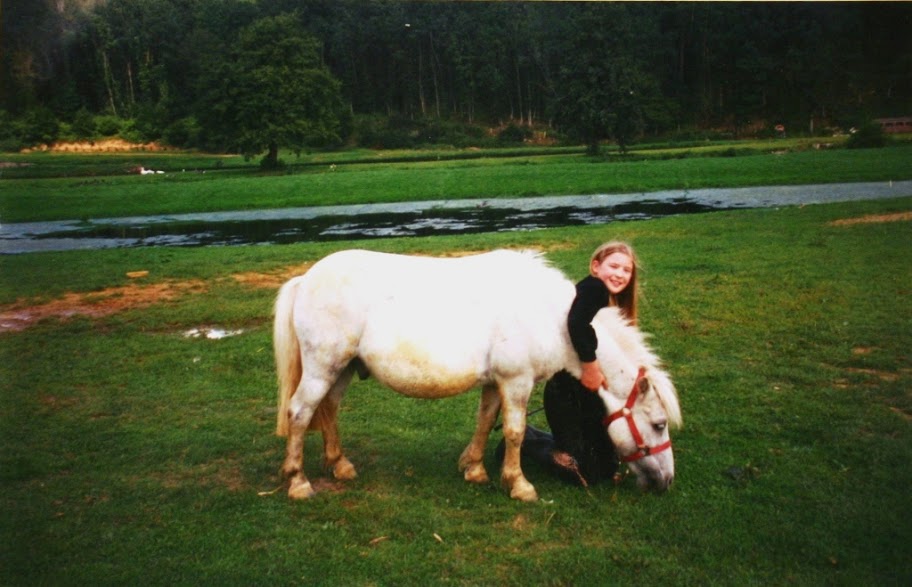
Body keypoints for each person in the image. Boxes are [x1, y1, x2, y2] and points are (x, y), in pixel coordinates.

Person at [496, 241, 640, 487]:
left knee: (607, 465)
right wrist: (591, 367)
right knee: (586, 473)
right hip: (567, 394)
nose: (619, 274)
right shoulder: (595, 289)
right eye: (613, 266)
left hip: (588, 394)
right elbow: (576, 323)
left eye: (626, 270)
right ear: (595, 266)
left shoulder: (608, 299)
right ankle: (529, 442)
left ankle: (551, 440)